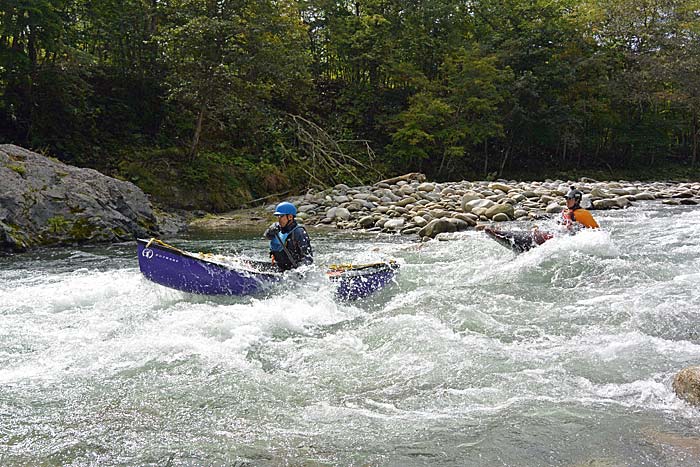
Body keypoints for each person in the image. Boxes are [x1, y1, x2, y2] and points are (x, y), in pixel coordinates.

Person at [263, 201, 313, 271]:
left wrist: (300, 271)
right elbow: (267, 236)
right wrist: (270, 231)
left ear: (290, 217)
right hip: (279, 266)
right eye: (278, 216)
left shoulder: (299, 232)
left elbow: (308, 258)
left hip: (293, 269)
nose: (279, 219)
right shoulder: (276, 227)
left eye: (281, 216)